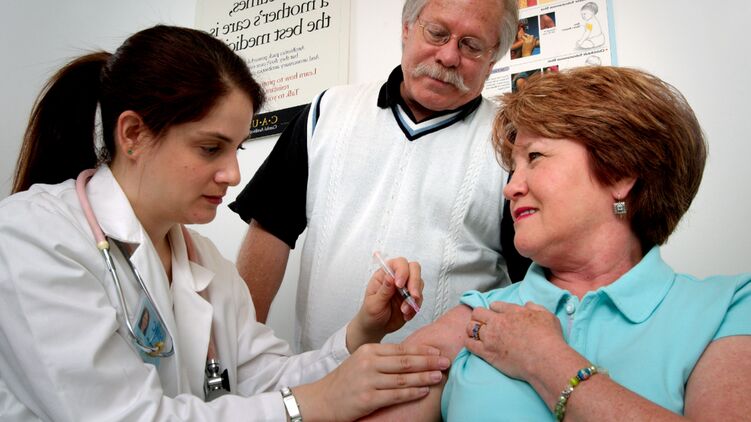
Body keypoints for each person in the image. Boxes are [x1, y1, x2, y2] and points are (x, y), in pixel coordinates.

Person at [0, 25, 452, 421]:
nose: (234, 175)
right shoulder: (35, 237)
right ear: (133, 134)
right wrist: (312, 404)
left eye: (236, 148)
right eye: (210, 148)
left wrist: (361, 332)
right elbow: (124, 415)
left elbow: (263, 375)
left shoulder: (204, 261)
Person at [363, 66, 751, 420]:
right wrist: (362, 334)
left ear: (620, 173)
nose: (511, 188)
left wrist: (545, 359)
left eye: (535, 157)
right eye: (513, 168)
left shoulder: (727, 308)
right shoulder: (478, 317)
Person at [230, 0, 524, 352]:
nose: (448, 56)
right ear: (406, 28)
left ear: (492, 60)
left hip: (446, 383)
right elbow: (270, 228)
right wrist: (239, 351)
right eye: (437, 33)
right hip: (320, 375)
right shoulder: (328, 111)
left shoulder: (513, 144)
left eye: (471, 45)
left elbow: (536, 280)